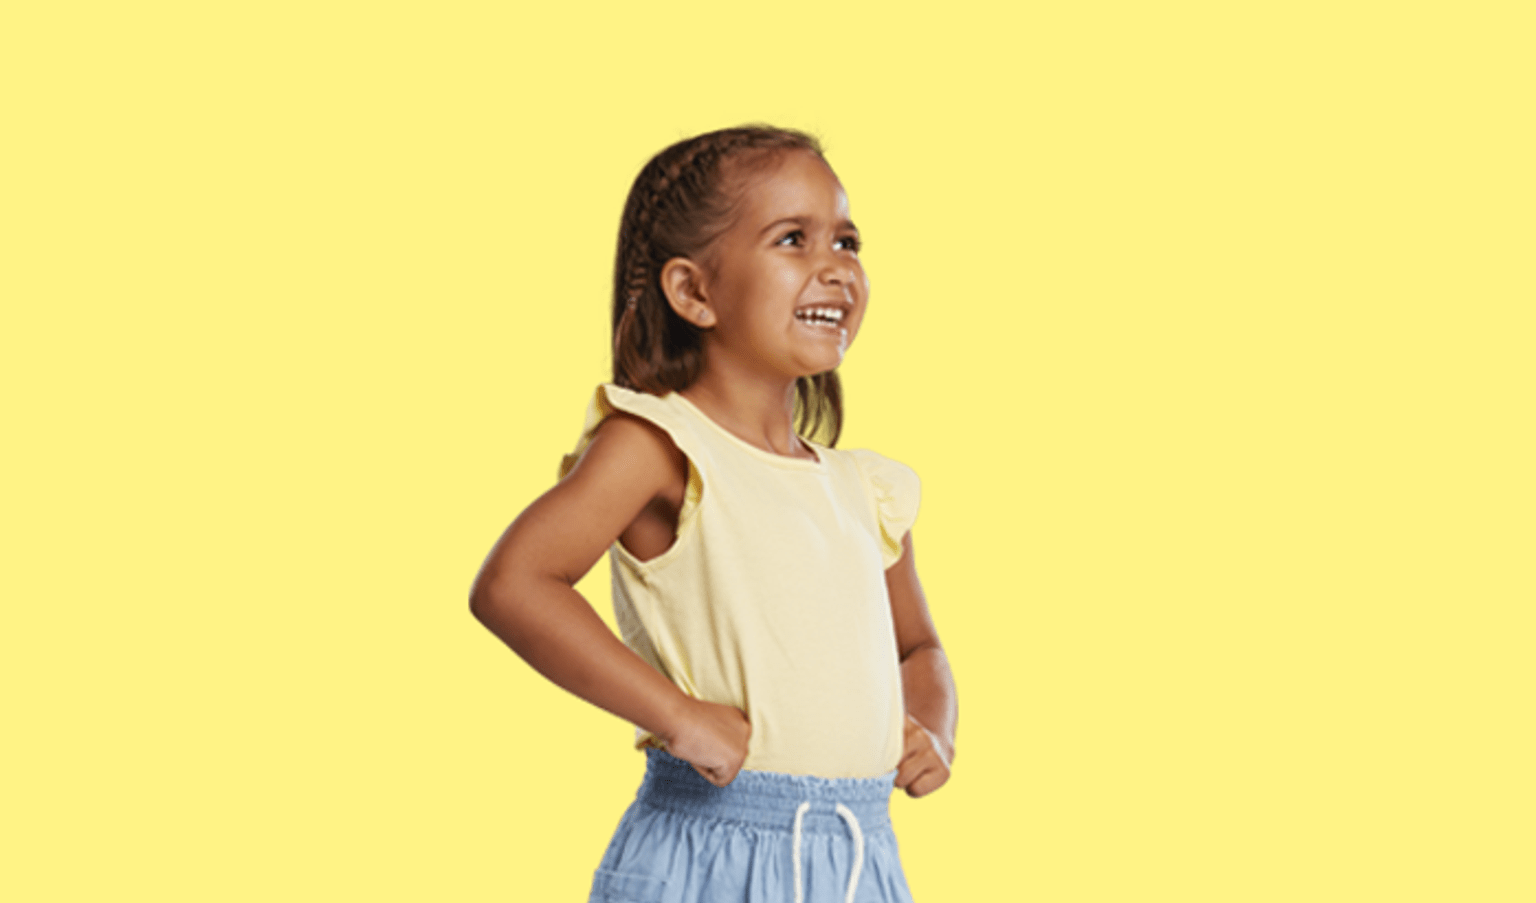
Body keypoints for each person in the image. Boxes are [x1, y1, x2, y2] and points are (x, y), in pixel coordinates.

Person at [470, 125, 957, 903]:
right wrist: (677, 715)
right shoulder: (661, 445)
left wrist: (934, 725)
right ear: (693, 291)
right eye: (793, 239)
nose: (836, 267)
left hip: (858, 860)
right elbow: (514, 583)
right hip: (709, 854)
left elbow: (920, 646)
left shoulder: (865, 488)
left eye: (848, 240)